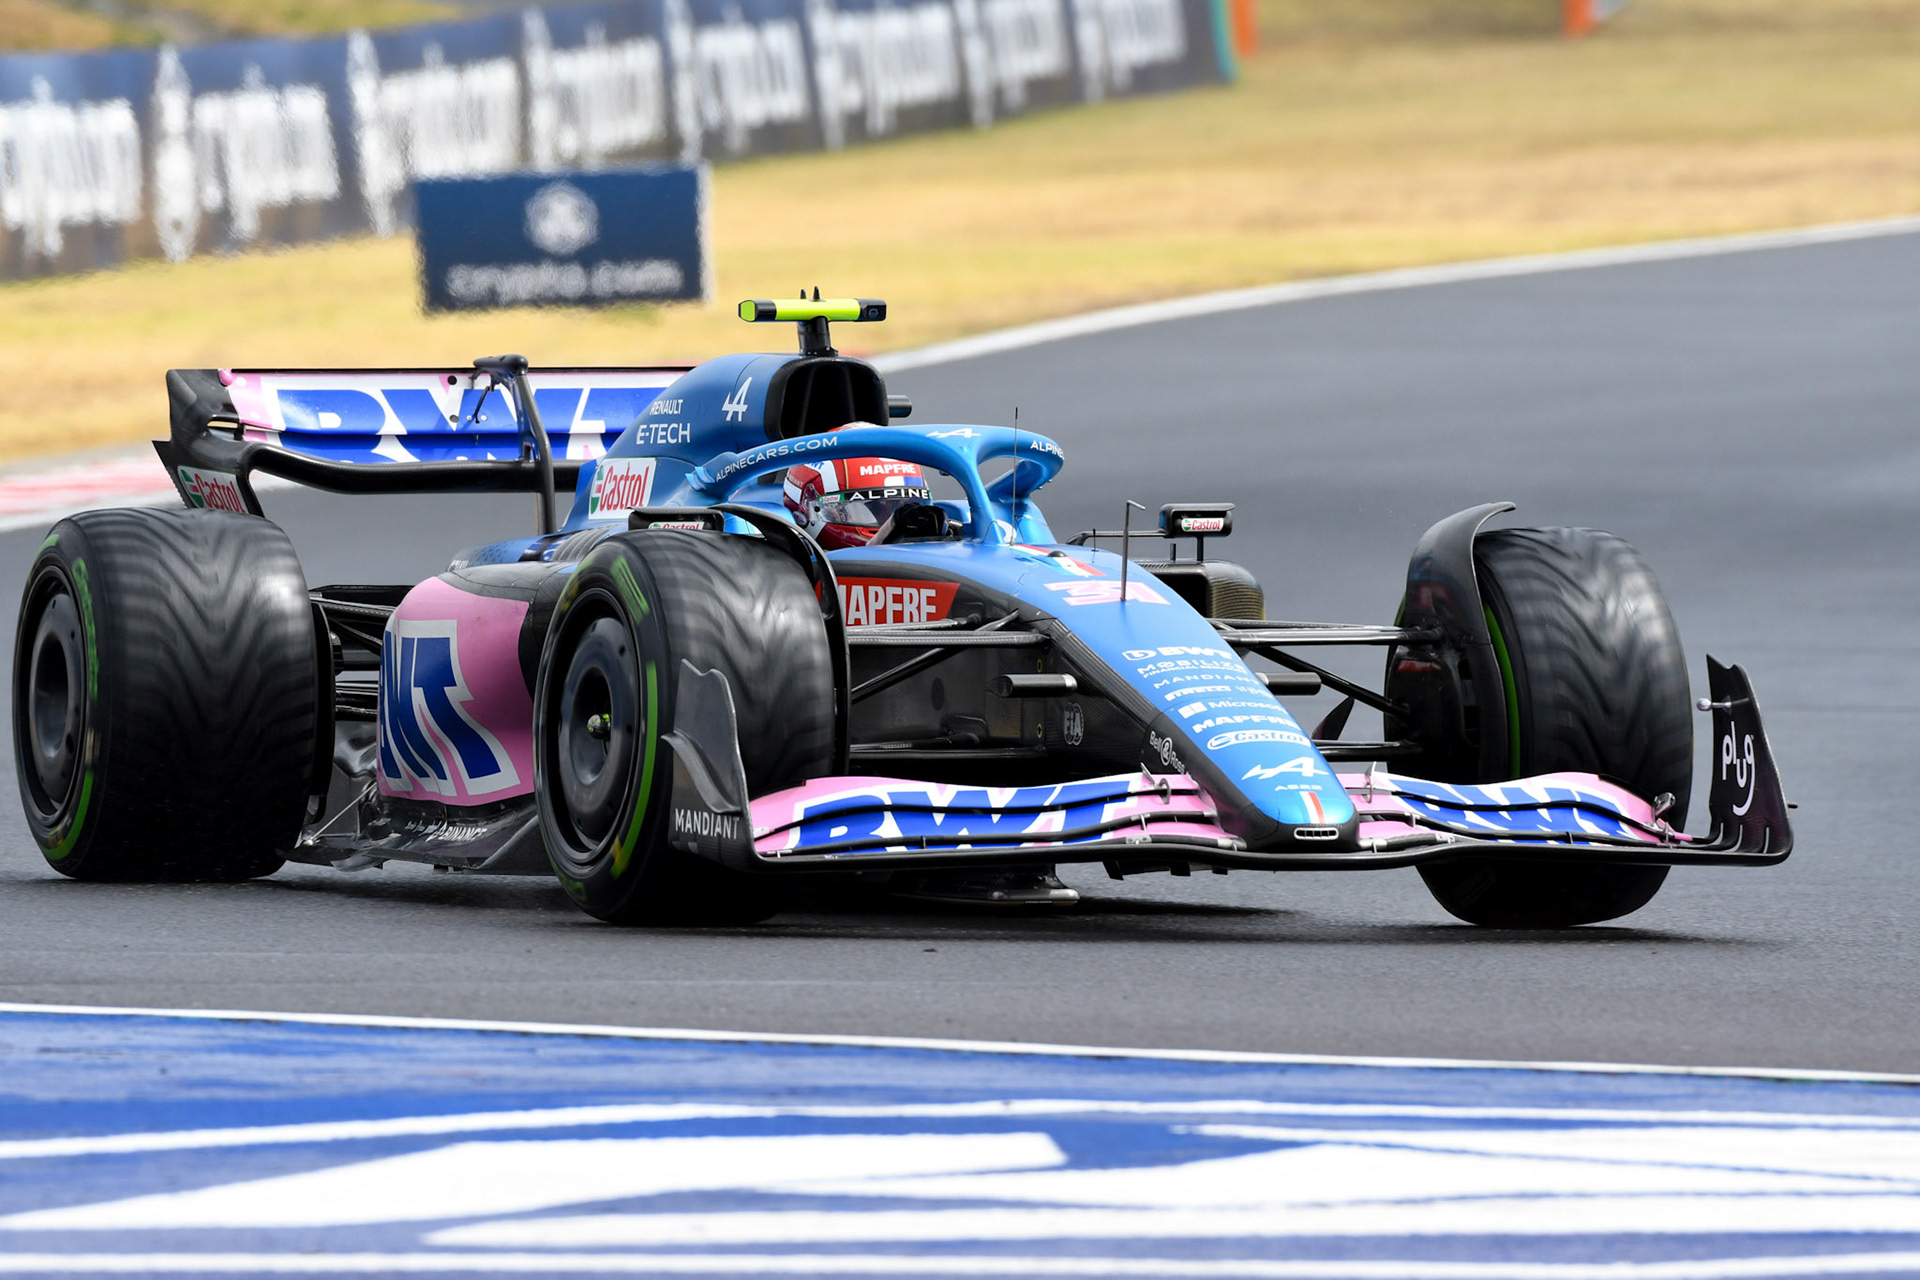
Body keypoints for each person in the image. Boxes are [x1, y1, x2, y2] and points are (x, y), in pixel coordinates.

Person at [782, 449, 1080, 908]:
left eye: (898, 506)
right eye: (868, 506)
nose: (885, 517)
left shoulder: (962, 543)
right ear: (812, 511)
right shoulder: (783, 568)